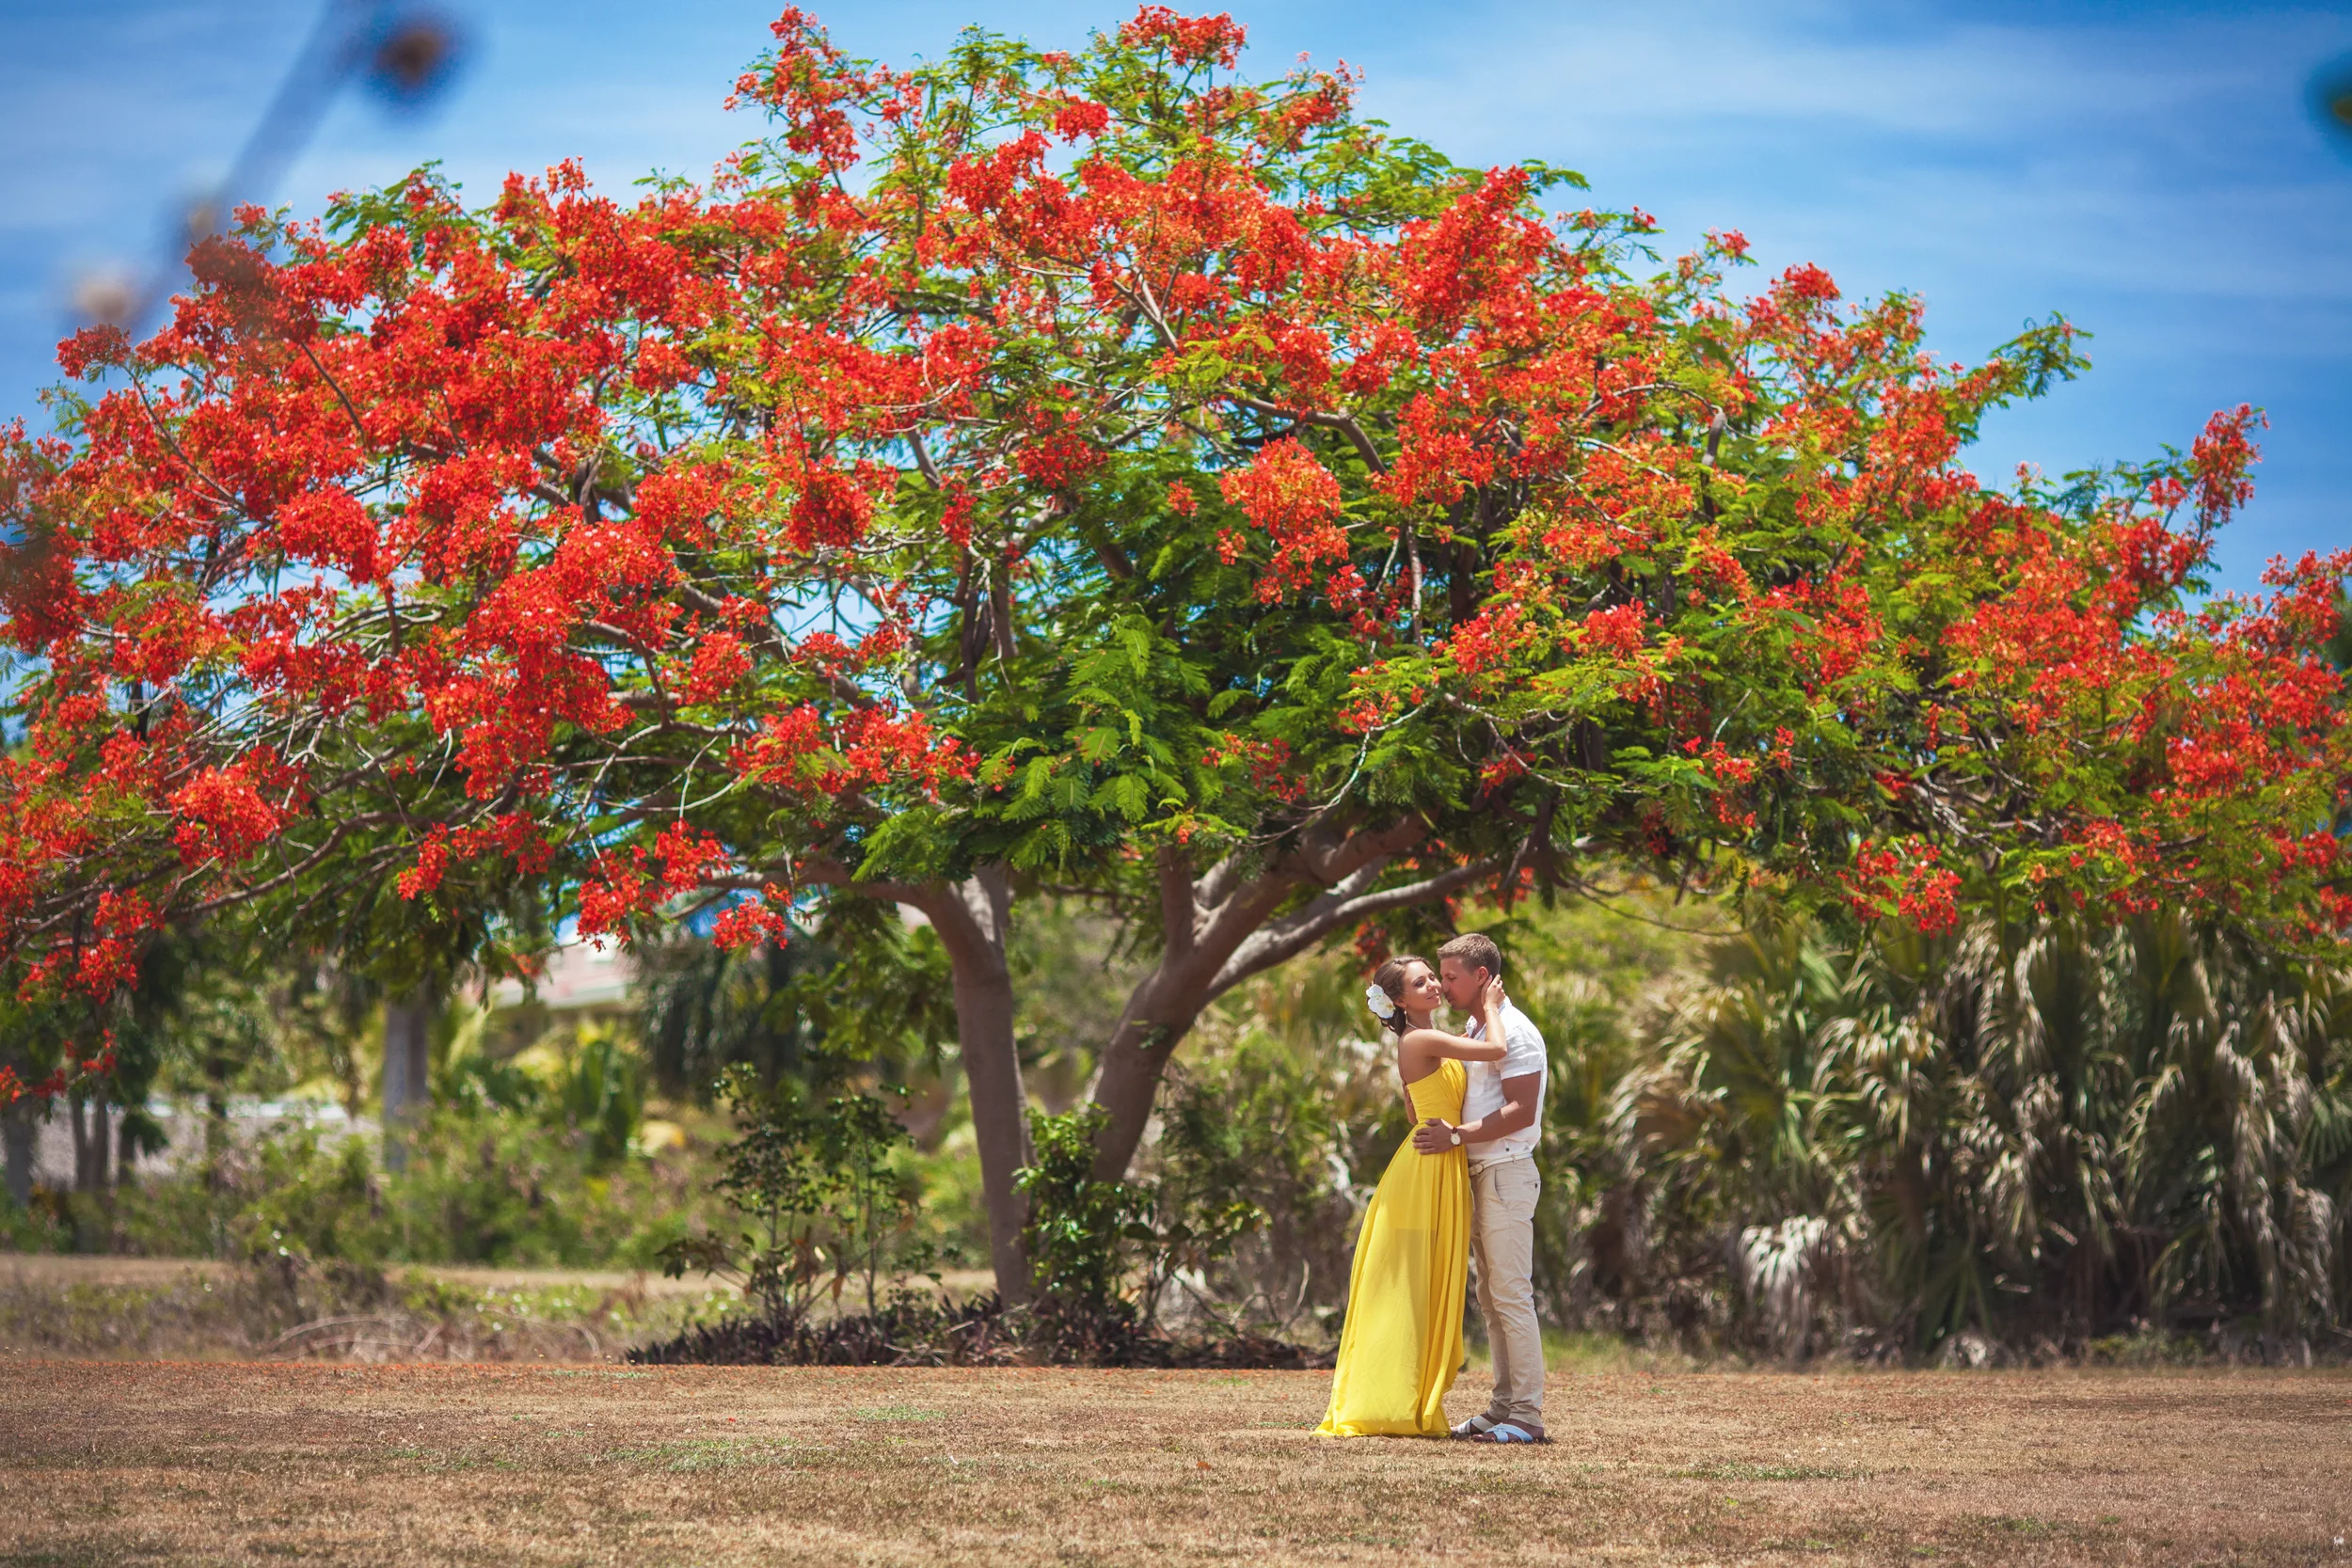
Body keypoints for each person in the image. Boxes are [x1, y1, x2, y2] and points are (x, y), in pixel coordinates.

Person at [1314, 954, 1511, 1438]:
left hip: (1437, 1161)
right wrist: (1490, 1007)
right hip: (1424, 1174)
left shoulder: (1429, 1042)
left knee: (1422, 1286)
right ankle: (1389, 1401)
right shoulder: (1421, 1038)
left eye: (1433, 979)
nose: (1433, 987)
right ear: (1399, 1000)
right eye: (1420, 983)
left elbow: (1413, 1109)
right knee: (1409, 1287)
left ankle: (1407, 1398)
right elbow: (1498, 1051)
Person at [1412, 931, 1549, 1444]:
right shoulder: (1480, 1026)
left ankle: (1527, 1417)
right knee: (1490, 1298)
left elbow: (1520, 1110)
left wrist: (1456, 1136)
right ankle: (1502, 1408)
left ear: (1482, 977)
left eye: (1450, 977)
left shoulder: (1514, 1031)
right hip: (1482, 1174)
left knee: (1511, 1296)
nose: (1443, 986)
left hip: (1507, 1171)